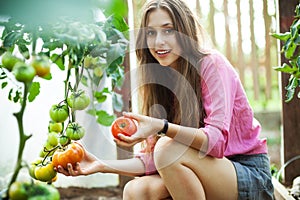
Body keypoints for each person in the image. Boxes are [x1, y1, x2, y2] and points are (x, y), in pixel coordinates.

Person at [56, 0, 274, 199]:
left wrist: (162, 127)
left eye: (168, 30)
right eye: (151, 33)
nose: (158, 42)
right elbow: (152, 161)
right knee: (134, 190)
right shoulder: (159, 78)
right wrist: (101, 165)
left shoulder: (211, 64)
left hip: (247, 175)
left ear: (184, 31)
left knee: (167, 149)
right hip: (206, 169)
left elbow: (215, 143)